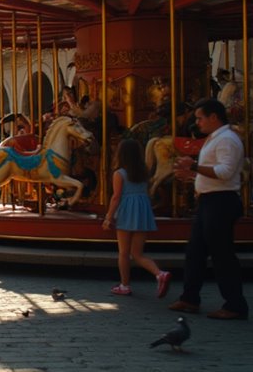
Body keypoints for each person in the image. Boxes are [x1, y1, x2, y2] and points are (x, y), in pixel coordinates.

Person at [170, 98, 249, 320]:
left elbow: (225, 172)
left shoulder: (227, 140)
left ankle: (235, 304)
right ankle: (190, 298)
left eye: (200, 118)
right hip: (209, 200)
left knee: (222, 254)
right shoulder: (215, 139)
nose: (197, 122)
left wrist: (193, 166)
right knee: (195, 251)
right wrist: (193, 176)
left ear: (214, 117)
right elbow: (216, 174)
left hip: (221, 203)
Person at [102, 139, 170, 297]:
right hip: (141, 211)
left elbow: (116, 197)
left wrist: (108, 217)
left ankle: (125, 285)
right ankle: (160, 273)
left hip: (127, 211)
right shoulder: (143, 171)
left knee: (124, 253)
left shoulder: (119, 173)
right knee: (138, 254)